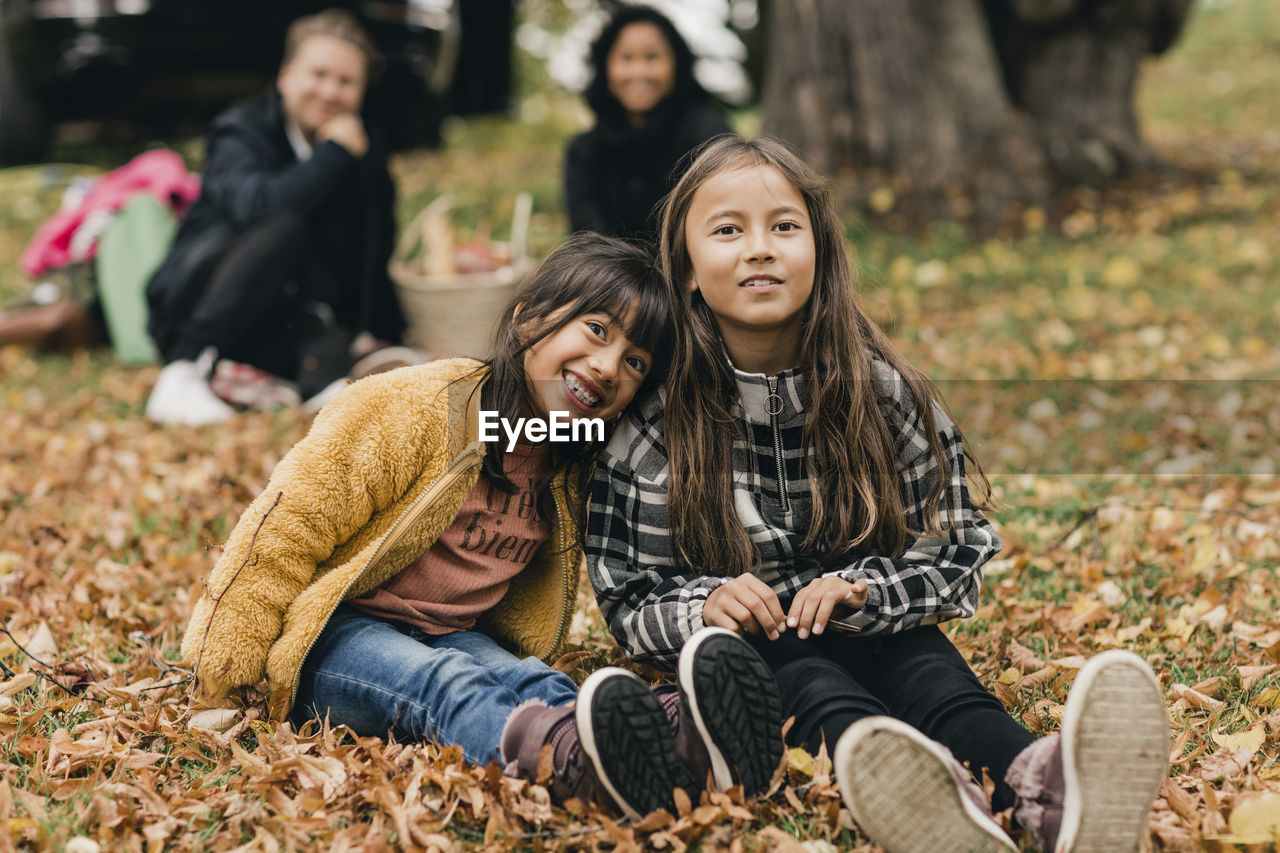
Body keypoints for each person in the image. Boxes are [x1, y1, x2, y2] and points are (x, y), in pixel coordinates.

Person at [585, 136, 1170, 852]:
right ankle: (927, 806)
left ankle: (1046, 783)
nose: (760, 248)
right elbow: (627, 593)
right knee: (815, 685)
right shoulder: (655, 425)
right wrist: (704, 603)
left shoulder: (881, 392)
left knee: (937, 679)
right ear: (689, 273)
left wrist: (869, 592)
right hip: (763, 647)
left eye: (784, 226)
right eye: (728, 229)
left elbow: (957, 545)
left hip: (881, 620)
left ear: (820, 254)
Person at [177, 233, 781, 820]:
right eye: (596, 330)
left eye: (635, 362)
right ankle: (566, 764)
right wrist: (224, 673)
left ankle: (676, 744)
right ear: (528, 319)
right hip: (336, 638)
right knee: (446, 684)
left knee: (535, 680)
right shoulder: (417, 408)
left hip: (450, 631)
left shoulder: (576, 458)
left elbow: (659, 522)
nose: (607, 366)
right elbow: (283, 530)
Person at [144, 9, 409, 426]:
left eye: (346, 82)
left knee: (330, 362)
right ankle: (181, 371)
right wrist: (332, 156)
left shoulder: (363, 147)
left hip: (283, 313)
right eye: (318, 74)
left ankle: (311, 388)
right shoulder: (239, 131)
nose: (330, 91)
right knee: (287, 225)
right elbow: (259, 209)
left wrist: (385, 330)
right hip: (195, 304)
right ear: (286, 76)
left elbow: (374, 245)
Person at [564, 5, 732, 241]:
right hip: (608, 276)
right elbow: (586, 238)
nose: (639, 71)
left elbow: (724, 227)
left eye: (652, 57)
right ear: (605, 66)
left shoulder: (709, 136)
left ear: (676, 63)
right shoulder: (584, 151)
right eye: (626, 58)